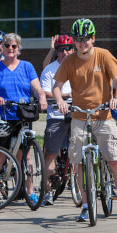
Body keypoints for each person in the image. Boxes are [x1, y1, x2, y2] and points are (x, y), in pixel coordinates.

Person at [53, 18, 117, 221]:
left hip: (103, 114)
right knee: (78, 160)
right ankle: (84, 204)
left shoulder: (103, 55)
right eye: (79, 39)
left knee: (113, 159)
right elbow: (57, 86)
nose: (82, 43)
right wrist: (61, 102)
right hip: (80, 115)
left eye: (86, 39)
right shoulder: (69, 61)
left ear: (93, 38)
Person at [0, 33, 47, 207]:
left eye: (14, 46)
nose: (10, 49)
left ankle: (30, 192)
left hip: (22, 115)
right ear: (2, 48)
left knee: (25, 156)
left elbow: (36, 87)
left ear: (19, 48)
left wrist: (41, 97)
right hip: (2, 116)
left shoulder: (27, 67)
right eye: (7, 46)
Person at [40, 35, 75, 206]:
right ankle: (47, 191)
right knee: (51, 154)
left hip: (78, 114)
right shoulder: (49, 69)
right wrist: (65, 95)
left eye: (69, 48)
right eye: (61, 49)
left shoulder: (80, 65)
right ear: (57, 52)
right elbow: (44, 92)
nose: (65, 52)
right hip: (56, 116)